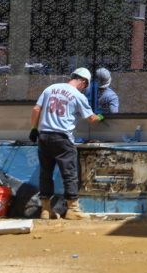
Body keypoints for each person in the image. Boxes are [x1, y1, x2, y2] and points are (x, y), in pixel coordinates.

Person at [28, 68, 103, 220]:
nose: (84, 88)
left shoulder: (50, 89)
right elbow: (91, 119)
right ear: (83, 81)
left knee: (46, 173)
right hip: (62, 138)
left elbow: (36, 109)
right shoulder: (77, 95)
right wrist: (102, 116)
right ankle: (72, 209)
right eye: (85, 85)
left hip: (44, 137)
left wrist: (34, 129)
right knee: (69, 174)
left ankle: (45, 210)